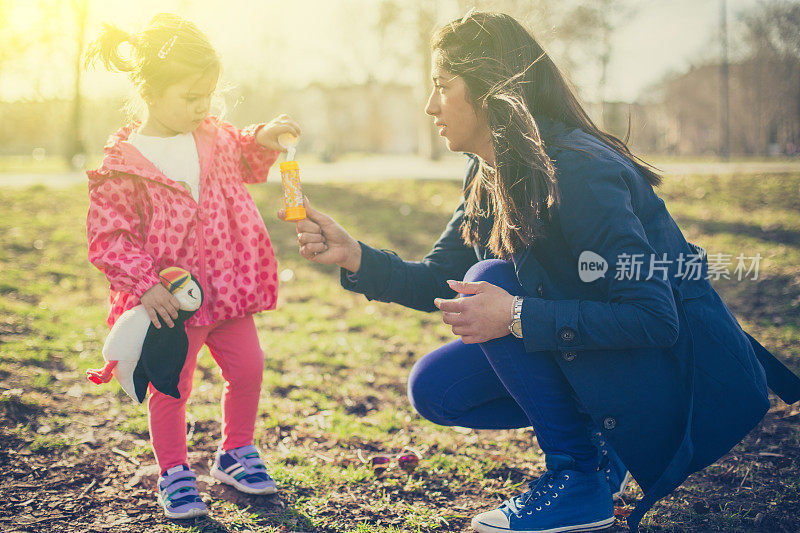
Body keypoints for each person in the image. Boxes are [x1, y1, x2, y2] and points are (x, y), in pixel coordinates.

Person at [281, 11, 800, 533]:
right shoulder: (491, 167)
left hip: (675, 375)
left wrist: (516, 312)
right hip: (607, 353)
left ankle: (578, 481)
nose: (430, 105)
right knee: (436, 388)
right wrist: (356, 257)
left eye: (442, 86)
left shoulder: (578, 169)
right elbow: (445, 278)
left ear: (488, 89)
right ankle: (602, 450)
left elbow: (654, 318)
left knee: (497, 280)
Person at [84, 14, 301, 519]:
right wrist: (143, 286)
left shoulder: (214, 136)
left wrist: (265, 136)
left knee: (248, 368)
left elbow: (245, 153)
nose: (203, 105)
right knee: (171, 385)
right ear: (150, 93)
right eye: (190, 95)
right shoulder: (125, 161)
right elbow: (110, 236)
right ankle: (175, 472)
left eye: (208, 93)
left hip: (229, 289)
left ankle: (237, 452)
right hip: (172, 305)